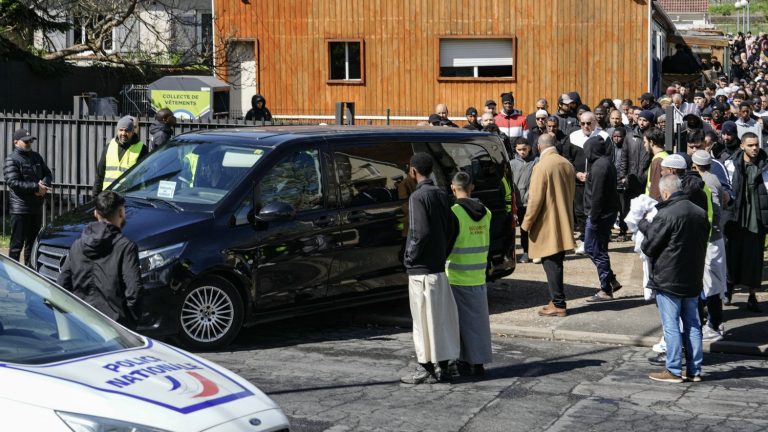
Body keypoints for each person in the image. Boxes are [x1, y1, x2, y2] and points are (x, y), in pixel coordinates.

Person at [639, 175, 709, 383]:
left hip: (669, 277)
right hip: (693, 276)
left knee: (671, 325)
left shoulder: (666, 214)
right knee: (693, 324)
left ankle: (674, 370)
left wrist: (645, 227)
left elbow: (649, 247)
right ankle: (694, 370)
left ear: (665, 193)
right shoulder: (699, 212)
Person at [401, 153, 460, 384]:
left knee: (421, 321)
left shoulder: (417, 197)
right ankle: (444, 366)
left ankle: (424, 366)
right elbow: (454, 227)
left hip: (420, 269)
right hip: (438, 267)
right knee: (439, 319)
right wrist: (444, 251)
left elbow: (419, 232)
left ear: (413, 171)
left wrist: (409, 257)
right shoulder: (442, 194)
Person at [57, 191, 143, 328]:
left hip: (81, 322)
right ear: (121, 213)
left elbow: (62, 284)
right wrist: (132, 321)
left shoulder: (77, 245)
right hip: (115, 326)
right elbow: (134, 292)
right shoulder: (126, 247)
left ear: (96, 213)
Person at [521, 134, 576, 317]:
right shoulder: (566, 164)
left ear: (538, 146)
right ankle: (556, 300)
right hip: (564, 219)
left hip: (547, 223)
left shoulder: (541, 166)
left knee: (551, 264)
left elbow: (534, 200)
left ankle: (558, 303)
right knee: (556, 263)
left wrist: (526, 223)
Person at [445, 171, 493, 378]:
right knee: (478, 322)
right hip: (478, 273)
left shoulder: (453, 212)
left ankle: (465, 361)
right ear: (472, 187)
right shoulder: (487, 212)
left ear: (452, 188)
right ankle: (477, 362)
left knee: (458, 323)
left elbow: (447, 243)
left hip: (456, 274)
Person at [723, 132, 768, 312]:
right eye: (750, 145)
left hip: (757, 220)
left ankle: (752, 296)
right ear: (742, 146)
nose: (754, 148)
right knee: (731, 257)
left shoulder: (765, 166)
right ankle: (728, 290)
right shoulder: (730, 164)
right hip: (735, 219)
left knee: (754, 261)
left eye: (756, 144)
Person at [691, 150, 729, 342]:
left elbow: (712, 213)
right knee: (714, 283)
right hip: (716, 238)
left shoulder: (705, 183)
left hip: (710, 240)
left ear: (695, 165)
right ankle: (714, 322)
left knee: (712, 284)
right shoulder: (714, 178)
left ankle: (714, 325)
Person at [3, 128, 52, 265]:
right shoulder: (11, 160)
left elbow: (48, 174)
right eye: (25, 141)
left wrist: (44, 185)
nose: (29, 143)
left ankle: (30, 273)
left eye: (30, 140)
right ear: (16, 142)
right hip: (20, 209)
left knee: (32, 244)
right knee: (16, 245)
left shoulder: (36, 156)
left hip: (35, 207)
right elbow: (13, 182)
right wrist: (36, 188)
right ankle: (12, 275)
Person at [582, 136, 622, 302]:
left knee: (593, 249)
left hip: (600, 214)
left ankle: (606, 288)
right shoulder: (605, 163)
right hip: (607, 212)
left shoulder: (599, 166)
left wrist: (594, 216)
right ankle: (610, 279)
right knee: (598, 249)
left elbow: (597, 195)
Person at [94, 116, 148, 197]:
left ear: (132, 132)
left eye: (126, 130)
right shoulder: (109, 146)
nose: (123, 133)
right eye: (121, 130)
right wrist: (95, 196)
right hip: (108, 196)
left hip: (129, 196)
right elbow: (100, 174)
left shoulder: (142, 148)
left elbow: (145, 176)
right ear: (117, 131)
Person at [510, 137, 537, 263]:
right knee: (523, 229)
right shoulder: (511, 164)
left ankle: (537, 251)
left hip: (532, 201)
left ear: (529, 148)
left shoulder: (536, 161)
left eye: (524, 149)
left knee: (535, 228)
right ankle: (526, 252)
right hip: (519, 203)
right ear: (515, 149)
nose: (522, 152)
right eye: (519, 149)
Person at [644, 128, 668, 201]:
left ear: (651, 142)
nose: (644, 145)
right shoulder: (665, 156)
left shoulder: (657, 161)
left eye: (645, 142)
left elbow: (655, 192)